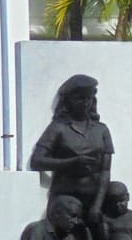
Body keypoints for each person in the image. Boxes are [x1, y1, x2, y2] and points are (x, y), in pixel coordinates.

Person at [27, 74, 113, 225]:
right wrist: (71, 162)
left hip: (94, 198)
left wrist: (97, 205)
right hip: (65, 200)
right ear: (68, 101)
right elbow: (37, 161)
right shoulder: (58, 128)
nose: (85, 103)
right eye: (79, 99)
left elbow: (105, 171)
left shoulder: (102, 130)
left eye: (88, 99)